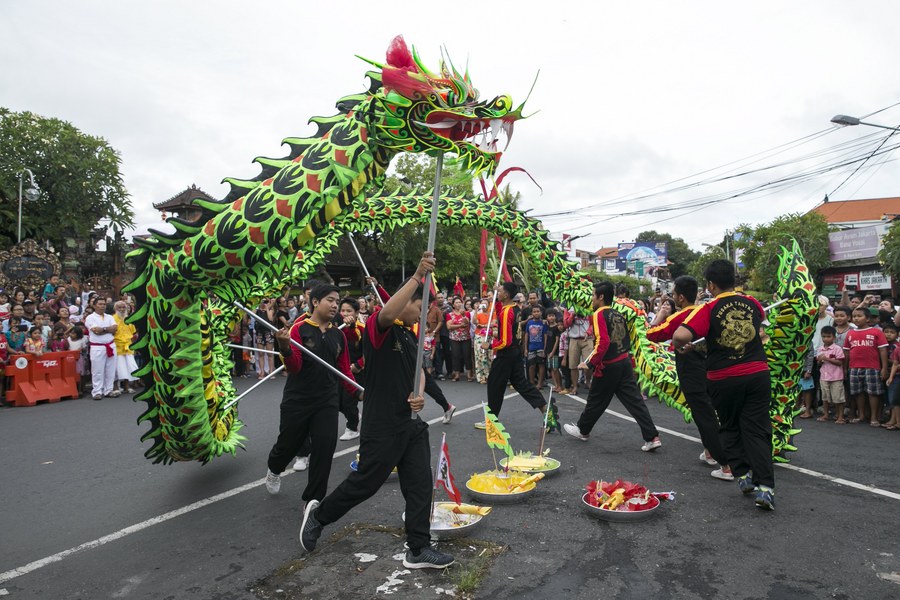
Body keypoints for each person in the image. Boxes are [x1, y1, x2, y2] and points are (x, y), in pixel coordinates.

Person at [299, 252, 455, 570]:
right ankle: (319, 515)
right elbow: (387, 313)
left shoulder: (411, 336)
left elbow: (420, 372)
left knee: (420, 485)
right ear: (407, 302)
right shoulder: (379, 327)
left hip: (411, 424)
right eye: (420, 307)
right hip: (382, 424)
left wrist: (420, 393)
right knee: (365, 484)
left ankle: (418, 548)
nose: (423, 315)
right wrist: (416, 275)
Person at [673, 259, 774, 511]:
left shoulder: (708, 308)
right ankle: (766, 488)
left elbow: (680, 336)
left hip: (724, 377)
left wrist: (692, 343)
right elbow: (759, 327)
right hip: (757, 374)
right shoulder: (753, 303)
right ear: (734, 279)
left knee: (729, 427)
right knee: (757, 430)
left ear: (710, 284)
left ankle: (742, 475)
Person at [265, 284, 359, 501]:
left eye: (338, 301)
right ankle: (274, 468)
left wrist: (358, 393)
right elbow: (294, 367)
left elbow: (344, 370)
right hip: (298, 399)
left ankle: (313, 500)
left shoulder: (339, 335)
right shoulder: (299, 329)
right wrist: (285, 347)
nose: (336, 305)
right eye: (330, 300)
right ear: (315, 302)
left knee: (324, 449)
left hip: (327, 400)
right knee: (288, 444)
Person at [646, 276, 731, 480]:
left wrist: (660, 314)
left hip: (693, 372)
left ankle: (727, 465)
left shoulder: (682, 316)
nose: (673, 298)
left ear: (681, 297)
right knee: (709, 412)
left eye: (674, 294)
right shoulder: (708, 311)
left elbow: (652, 334)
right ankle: (710, 451)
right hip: (715, 368)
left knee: (704, 416)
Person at [563, 282, 662, 452]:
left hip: (609, 365)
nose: (592, 299)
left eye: (594, 295)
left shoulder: (599, 314)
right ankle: (652, 437)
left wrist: (588, 362)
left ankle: (583, 430)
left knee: (595, 400)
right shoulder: (618, 313)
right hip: (623, 362)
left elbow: (603, 342)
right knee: (635, 402)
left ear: (601, 297)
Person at [477, 281, 547, 428]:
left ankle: (492, 421)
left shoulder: (507, 311)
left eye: (500, 291)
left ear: (507, 294)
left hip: (506, 354)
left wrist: (489, 345)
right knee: (521, 384)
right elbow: (500, 311)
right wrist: (495, 298)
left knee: (494, 385)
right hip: (514, 352)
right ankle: (546, 410)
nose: (498, 292)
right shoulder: (514, 308)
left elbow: (505, 341)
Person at [843, 307, 888, 426]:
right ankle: (861, 415)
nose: (856, 318)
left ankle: (874, 417)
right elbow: (847, 352)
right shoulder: (851, 333)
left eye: (859, 316)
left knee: (873, 393)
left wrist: (884, 368)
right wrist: (845, 368)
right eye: (854, 316)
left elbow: (883, 350)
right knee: (858, 392)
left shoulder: (876, 332)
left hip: (872, 367)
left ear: (867, 318)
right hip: (854, 367)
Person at [337, 297, 365, 441]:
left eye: (349, 311)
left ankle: (352, 428)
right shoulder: (335, 327)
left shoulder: (361, 328)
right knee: (336, 401)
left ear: (356, 312)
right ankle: (353, 414)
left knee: (349, 401)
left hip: (357, 371)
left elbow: (370, 352)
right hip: (340, 370)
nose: (345, 314)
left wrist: (358, 366)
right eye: (342, 310)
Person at [85, 297, 119, 400]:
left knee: (110, 369)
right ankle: (97, 391)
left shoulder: (110, 317)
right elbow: (96, 331)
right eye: (100, 304)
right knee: (97, 370)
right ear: (94, 305)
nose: (102, 306)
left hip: (110, 345)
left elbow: (115, 329)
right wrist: (108, 329)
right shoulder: (90, 317)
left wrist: (103, 329)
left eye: (104, 304)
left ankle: (108, 390)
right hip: (98, 347)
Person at [816, 325, 846, 423]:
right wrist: (820, 361)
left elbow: (840, 362)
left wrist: (827, 359)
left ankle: (840, 416)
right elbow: (819, 363)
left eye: (828, 336)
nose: (826, 339)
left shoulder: (837, 348)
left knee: (838, 398)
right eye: (824, 336)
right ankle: (825, 414)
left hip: (836, 376)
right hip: (824, 376)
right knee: (825, 397)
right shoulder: (820, 349)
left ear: (834, 337)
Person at [561, 305, 592, 394]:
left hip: (587, 339)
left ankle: (588, 381)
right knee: (573, 365)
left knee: (589, 364)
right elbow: (566, 324)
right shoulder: (569, 308)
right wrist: (573, 315)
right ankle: (575, 386)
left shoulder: (589, 308)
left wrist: (588, 332)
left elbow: (593, 324)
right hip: (574, 339)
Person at [113, 301, 140, 394]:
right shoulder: (112, 319)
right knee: (117, 368)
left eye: (123, 307)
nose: (121, 309)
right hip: (117, 346)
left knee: (128, 367)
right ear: (115, 309)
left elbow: (133, 333)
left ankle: (127, 386)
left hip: (128, 346)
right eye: (119, 308)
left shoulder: (129, 319)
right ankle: (116, 387)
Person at [445, 297, 473, 382]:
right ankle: (456, 374)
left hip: (466, 337)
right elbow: (449, 326)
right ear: (453, 305)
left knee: (467, 355)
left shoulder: (467, 313)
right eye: (456, 302)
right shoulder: (449, 315)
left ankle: (469, 373)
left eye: (460, 302)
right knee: (455, 355)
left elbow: (467, 323)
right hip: (454, 338)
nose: (458, 304)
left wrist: (463, 315)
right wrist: (460, 326)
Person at [523, 305, 548, 389]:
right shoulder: (529, 323)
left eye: (538, 311)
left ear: (541, 313)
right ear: (531, 313)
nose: (536, 313)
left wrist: (545, 349)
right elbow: (526, 335)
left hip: (540, 347)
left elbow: (545, 336)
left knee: (541, 365)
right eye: (534, 311)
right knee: (531, 365)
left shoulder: (543, 323)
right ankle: (531, 382)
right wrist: (526, 348)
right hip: (531, 347)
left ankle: (540, 383)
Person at [68, 325, 87, 397]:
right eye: (71, 333)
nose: (71, 335)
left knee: (80, 373)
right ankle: (73, 389)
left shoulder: (82, 340)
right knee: (71, 373)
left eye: (73, 333)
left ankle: (80, 389)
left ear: (78, 334)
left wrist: (81, 349)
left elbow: (84, 348)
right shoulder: (68, 339)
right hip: (70, 358)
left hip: (79, 358)